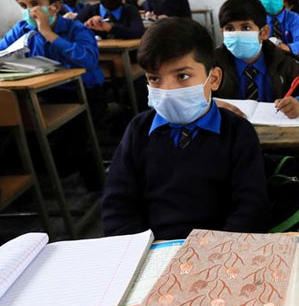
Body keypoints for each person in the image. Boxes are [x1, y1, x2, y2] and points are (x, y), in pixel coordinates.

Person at [102, 17, 271, 240]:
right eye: (155, 79)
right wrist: (141, 251)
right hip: (152, 253)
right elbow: (118, 207)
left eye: (183, 76)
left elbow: (251, 208)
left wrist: (213, 253)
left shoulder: (237, 132)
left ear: (214, 79)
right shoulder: (138, 130)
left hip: (219, 253)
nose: (168, 90)